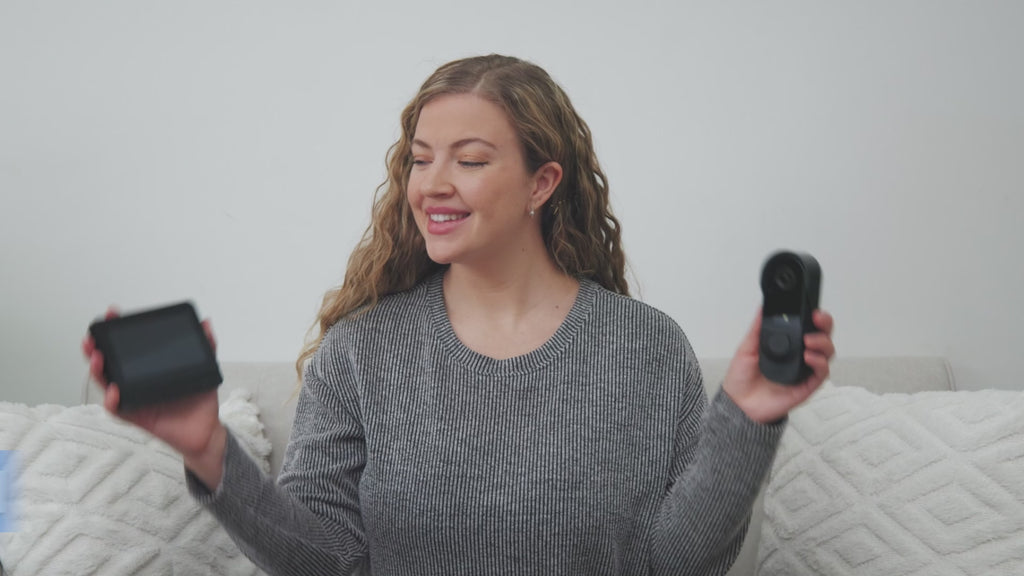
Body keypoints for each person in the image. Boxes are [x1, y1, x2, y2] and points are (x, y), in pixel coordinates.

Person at [83, 54, 835, 575]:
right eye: (420, 158)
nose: (431, 184)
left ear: (541, 183)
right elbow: (327, 563)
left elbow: (674, 567)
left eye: (470, 160)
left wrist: (749, 417)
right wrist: (211, 452)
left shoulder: (645, 347)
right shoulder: (362, 350)